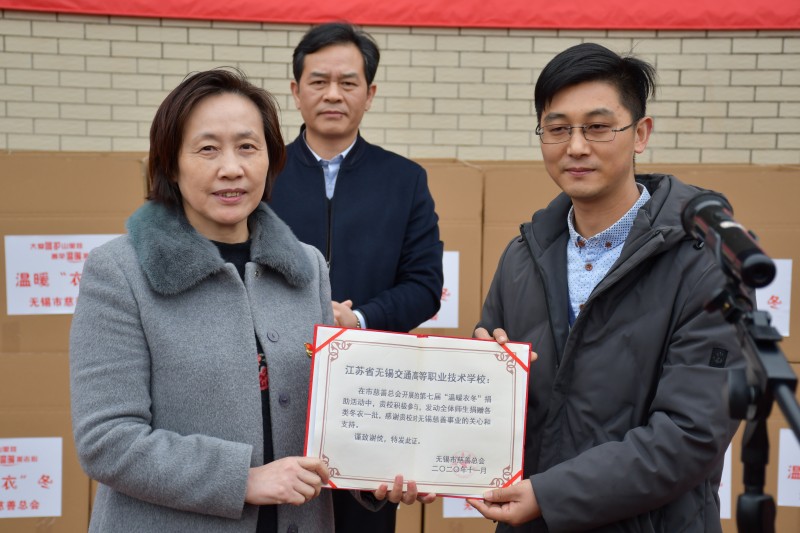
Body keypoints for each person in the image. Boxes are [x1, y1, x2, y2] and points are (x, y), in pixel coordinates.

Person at [69, 68, 426, 533]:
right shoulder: (120, 272)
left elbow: (330, 422)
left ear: (271, 159)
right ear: (170, 164)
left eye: (247, 147)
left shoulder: (307, 267)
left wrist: (376, 473)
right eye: (207, 149)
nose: (231, 168)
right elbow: (107, 440)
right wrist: (243, 479)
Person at [469, 43, 744, 532]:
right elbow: (486, 408)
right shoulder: (522, 257)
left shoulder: (704, 258)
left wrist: (550, 496)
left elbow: (692, 433)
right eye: (557, 128)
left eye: (597, 127)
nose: (576, 146)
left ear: (641, 134)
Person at [269, 23, 444, 533]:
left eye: (348, 83)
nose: (332, 94)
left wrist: (358, 319)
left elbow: (424, 285)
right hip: (277, 378)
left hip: (372, 387)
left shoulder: (405, 180)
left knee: (363, 517)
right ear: (295, 90)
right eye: (318, 81)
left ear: (369, 94)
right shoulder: (263, 174)